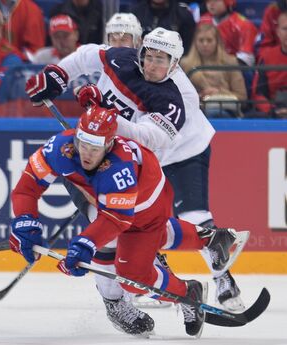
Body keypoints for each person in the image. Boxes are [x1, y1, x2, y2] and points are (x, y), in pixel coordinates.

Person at [24, 26, 245, 334]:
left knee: (137, 227)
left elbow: (150, 138)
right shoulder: (124, 59)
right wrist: (58, 74)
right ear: (141, 51)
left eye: (161, 60)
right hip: (105, 154)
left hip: (165, 155)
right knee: (110, 229)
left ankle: (209, 254)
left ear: (175, 64)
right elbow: (88, 55)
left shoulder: (177, 97)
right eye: (149, 56)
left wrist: (105, 114)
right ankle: (115, 301)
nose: (153, 65)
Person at [9, 106, 248, 338]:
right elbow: (27, 187)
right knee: (119, 239)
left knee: (133, 275)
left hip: (147, 202)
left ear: (110, 144)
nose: (86, 153)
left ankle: (188, 292)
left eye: (95, 147)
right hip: (109, 201)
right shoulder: (61, 146)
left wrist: (84, 245)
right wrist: (25, 221)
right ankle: (209, 238)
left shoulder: (119, 168)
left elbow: (115, 221)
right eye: (83, 143)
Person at [98, 15, 245, 313]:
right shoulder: (127, 66)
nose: (119, 44)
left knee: (194, 216)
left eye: (125, 38)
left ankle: (223, 280)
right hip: (148, 156)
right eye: (114, 38)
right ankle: (162, 274)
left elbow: (147, 134)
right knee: (142, 222)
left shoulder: (180, 92)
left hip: (184, 151)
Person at [180, 23, 247, 117]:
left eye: (209, 40)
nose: (205, 44)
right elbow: (179, 95)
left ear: (217, 42)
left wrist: (218, 92)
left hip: (224, 109)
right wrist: (200, 95)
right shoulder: (185, 64)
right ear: (195, 42)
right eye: (201, 40)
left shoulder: (230, 62)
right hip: (195, 110)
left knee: (214, 113)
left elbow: (242, 97)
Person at [251, 10, 287, 119]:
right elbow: (258, 94)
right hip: (274, 111)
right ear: (278, 32)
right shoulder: (267, 57)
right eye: (285, 29)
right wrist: (273, 110)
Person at [199, 0, 258, 66]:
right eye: (208, 1)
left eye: (216, 0)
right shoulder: (202, 21)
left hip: (232, 70)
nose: (211, 4)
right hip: (204, 67)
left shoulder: (244, 25)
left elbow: (247, 59)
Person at [131, 0, 196, 55]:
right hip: (137, 60)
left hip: (172, 64)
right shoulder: (135, 12)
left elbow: (187, 52)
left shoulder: (183, 15)